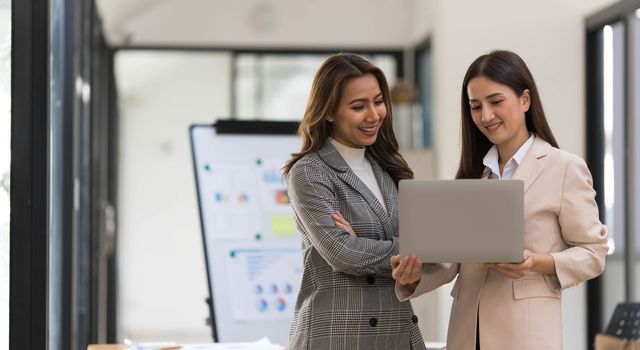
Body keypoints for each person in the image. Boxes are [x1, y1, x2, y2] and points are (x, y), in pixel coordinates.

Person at [391, 50, 609, 350]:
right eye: (475, 106)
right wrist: (412, 275)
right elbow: (454, 261)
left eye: (495, 102)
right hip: (467, 333)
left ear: (525, 100)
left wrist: (537, 263)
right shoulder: (474, 173)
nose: (486, 116)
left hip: (525, 336)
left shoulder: (563, 167)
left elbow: (594, 253)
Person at [283, 52, 426, 349]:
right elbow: (343, 253)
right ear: (330, 112)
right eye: (358, 106)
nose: (373, 115)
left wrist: (405, 264)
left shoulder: (389, 168)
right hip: (338, 334)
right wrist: (414, 248)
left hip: (396, 333)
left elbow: (411, 258)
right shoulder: (310, 171)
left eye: (378, 101)